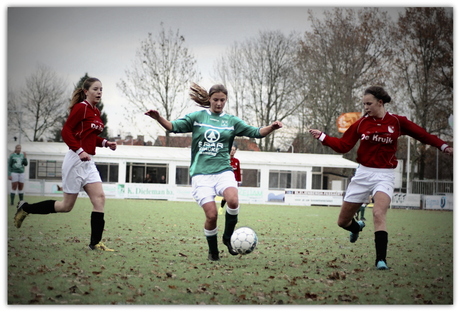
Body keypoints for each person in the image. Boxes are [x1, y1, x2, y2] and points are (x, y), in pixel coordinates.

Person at [309, 86, 453, 270]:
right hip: (363, 173)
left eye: (369, 104)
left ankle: (380, 260)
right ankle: (356, 227)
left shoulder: (397, 122)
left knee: (378, 213)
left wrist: (444, 147)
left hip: (384, 175)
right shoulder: (361, 123)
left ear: (380, 102)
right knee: (342, 222)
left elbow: (423, 135)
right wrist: (322, 136)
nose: (366, 107)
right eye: (363, 104)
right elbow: (343, 146)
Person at [145, 82, 282, 261]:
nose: (219, 103)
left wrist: (271, 127)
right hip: (201, 175)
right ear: (209, 99)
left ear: (226, 101)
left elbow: (255, 132)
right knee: (212, 215)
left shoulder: (232, 121)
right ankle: (213, 252)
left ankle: (228, 237)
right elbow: (173, 127)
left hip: (223, 171)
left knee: (233, 200)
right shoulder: (198, 117)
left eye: (222, 100)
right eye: (216, 100)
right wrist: (158, 118)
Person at [14, 77, 118, 252]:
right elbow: (66, 131)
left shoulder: (96, 112)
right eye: (95, 89)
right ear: (86, 92)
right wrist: (79, 151)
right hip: (75, 160)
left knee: (99, 199)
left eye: (101, 89)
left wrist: (106, 143)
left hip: (88, 162)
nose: (99, 92)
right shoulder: (81, 108)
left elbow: (90, 137)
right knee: (66, 206)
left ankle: (95, 243)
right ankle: (26, 208)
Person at [220, 144, 241, 211]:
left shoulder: (236, 161)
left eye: (234, 150)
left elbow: (238, 171)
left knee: (233, 196)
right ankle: (221, 207)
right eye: (231, 150)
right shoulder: (225, 160)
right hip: (226, 180)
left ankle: (231, 209)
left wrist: (238, 181)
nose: (232, 151)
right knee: (226, 196)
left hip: (234, 181)